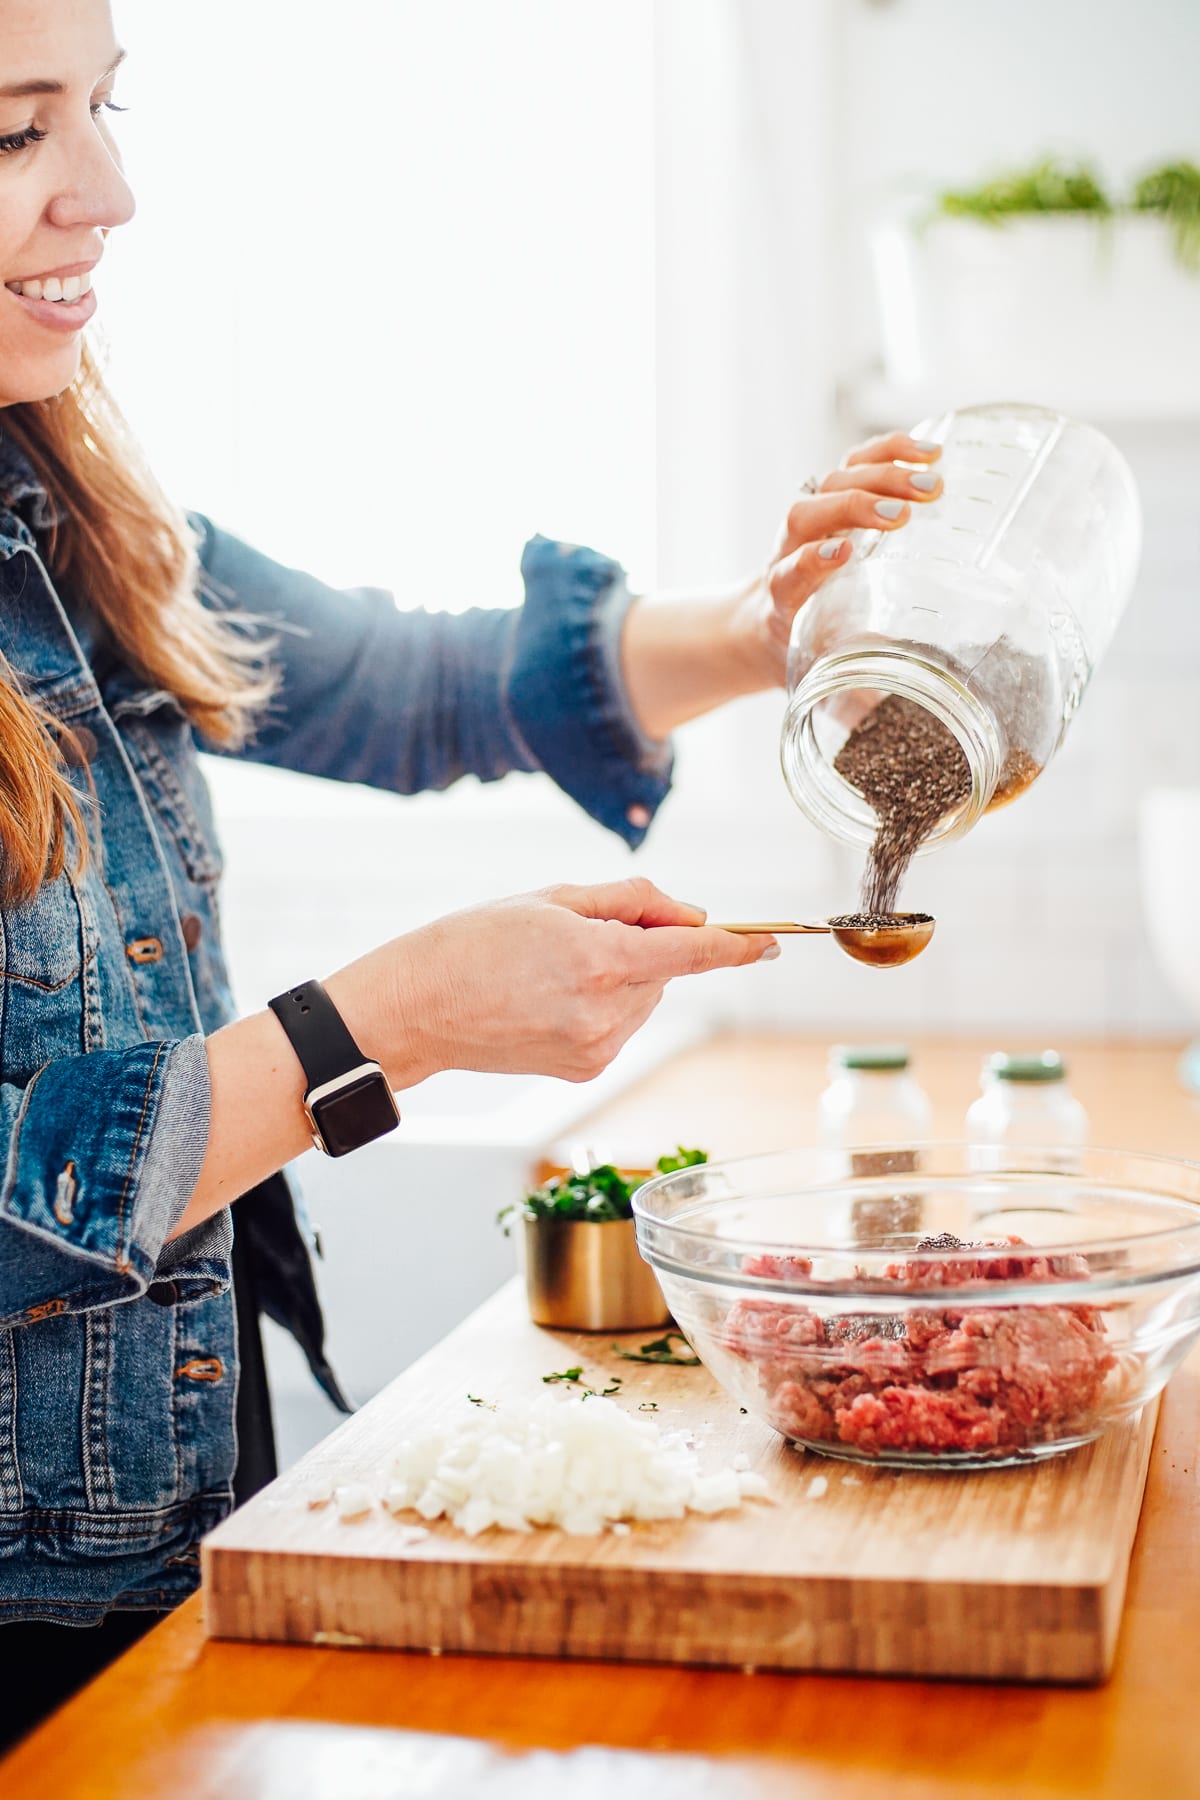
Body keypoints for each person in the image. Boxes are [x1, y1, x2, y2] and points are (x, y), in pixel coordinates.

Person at [0, 0, 943, 1742]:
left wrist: (754, 628)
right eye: (19, 132)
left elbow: (394, 681)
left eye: (108, 109)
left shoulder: (52, 491)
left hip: (159, 1521)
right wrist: (396, 1023)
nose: (110, 190)